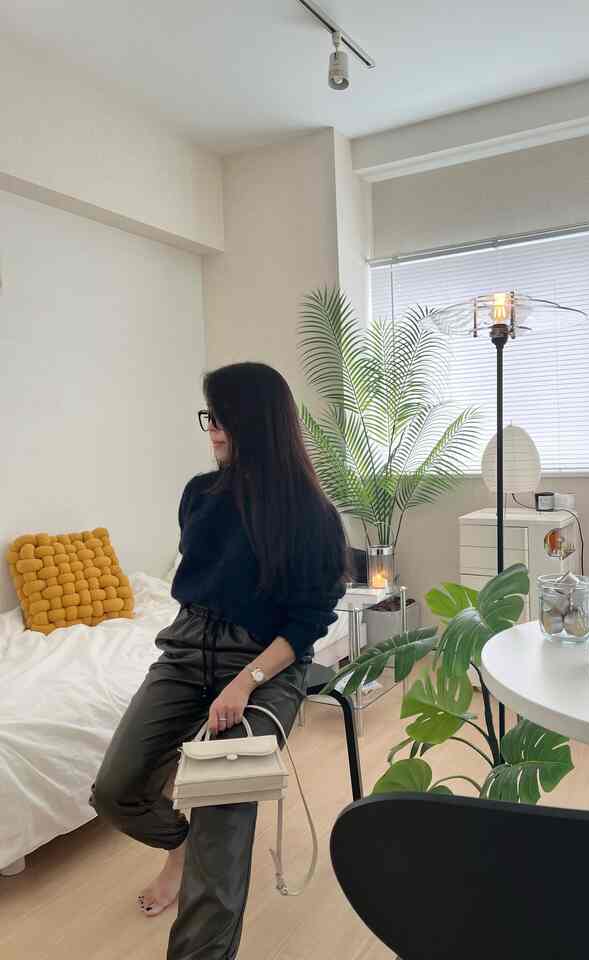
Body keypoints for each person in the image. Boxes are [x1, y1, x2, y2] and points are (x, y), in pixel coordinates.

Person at [90, 362, 347, 959]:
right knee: (115, 790)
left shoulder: (313, 517)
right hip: (185, 649)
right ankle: (179, 848)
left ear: (255, 423)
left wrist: (244, 682)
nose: (212, 430)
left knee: (220, 820)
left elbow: (307, 624)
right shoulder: (199, 495)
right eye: (209, 418)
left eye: (221, 419)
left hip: (266, 664)